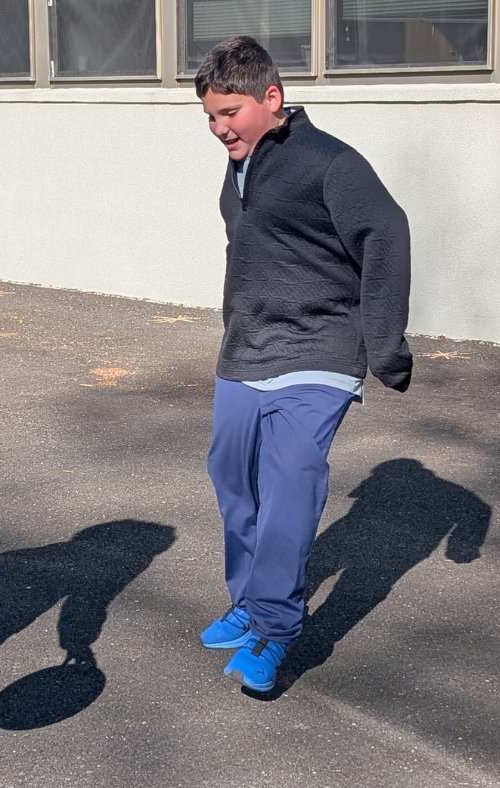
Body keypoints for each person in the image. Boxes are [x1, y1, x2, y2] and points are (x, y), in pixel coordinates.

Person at [194, 37, 412, 692]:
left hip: (320, 351)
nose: (219, 127)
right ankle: (250, 599)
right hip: (247, 350)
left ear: (272, 98)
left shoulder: (331, 164)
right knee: (234, 481)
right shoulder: (241, 166)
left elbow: (388, 234)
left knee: (289, 484)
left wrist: (385, 344)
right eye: (209, 116)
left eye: (230, 112)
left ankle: (276, 628)